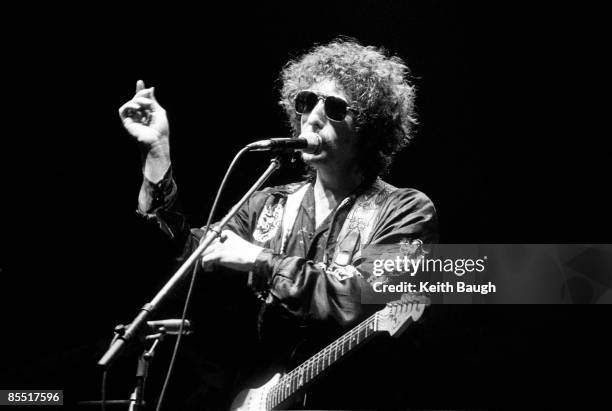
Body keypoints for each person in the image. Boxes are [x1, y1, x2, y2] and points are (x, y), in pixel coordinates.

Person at [120, 38, 438, 409]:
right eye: (306, 101)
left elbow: (364, 299)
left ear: (370, 126)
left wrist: (262, 261)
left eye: (334, 107)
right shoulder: (270, 203)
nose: (313, 116)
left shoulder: (404, 209)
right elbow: (182, 262)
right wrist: (157, 155)